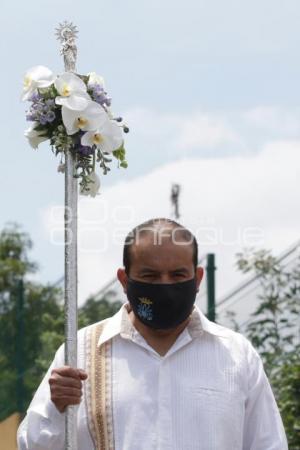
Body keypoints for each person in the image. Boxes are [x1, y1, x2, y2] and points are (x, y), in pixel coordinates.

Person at [17, 218, 288, 450]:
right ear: (124, 280)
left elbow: (269, 444)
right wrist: (57, 407)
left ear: (198, 278)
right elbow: (32, 446)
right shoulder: (80, 352)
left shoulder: (236, 355)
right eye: (150, 276)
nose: (165, 286)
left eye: (178, 274)